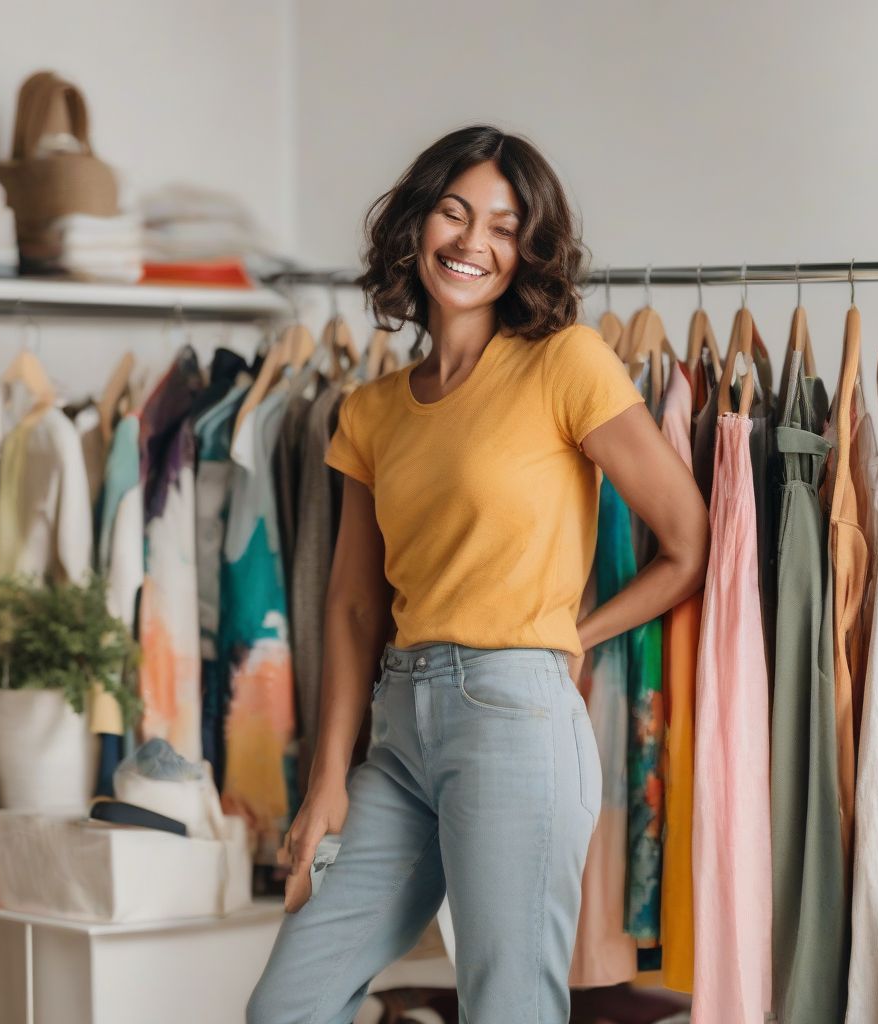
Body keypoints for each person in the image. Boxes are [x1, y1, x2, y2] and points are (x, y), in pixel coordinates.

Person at [247, 124, 710, 1024]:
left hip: (514, 717)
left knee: (506, 1007)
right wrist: (325, 778)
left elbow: (686, 544)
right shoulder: (367, 411)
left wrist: (566, 640)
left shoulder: (563, 363)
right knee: (287, 1006)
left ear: (527, 248)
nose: (473, 243)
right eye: (454, 214)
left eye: (503, 226)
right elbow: (350, 606)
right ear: (417, 225)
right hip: (398, 729)